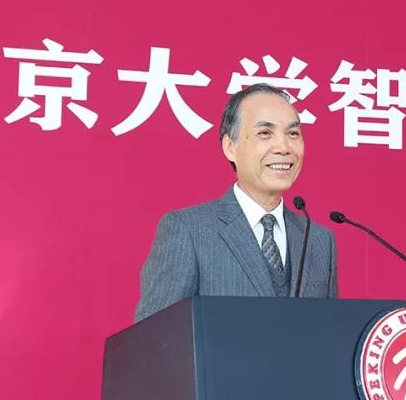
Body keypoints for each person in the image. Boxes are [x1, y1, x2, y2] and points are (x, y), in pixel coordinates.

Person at [134, 83, 338, 322]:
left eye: (293, 134)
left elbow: (329, 329)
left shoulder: (318, 239)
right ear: (230, 147)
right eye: (265, 133)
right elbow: (155, 335)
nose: (284, 148)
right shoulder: (188, 230)